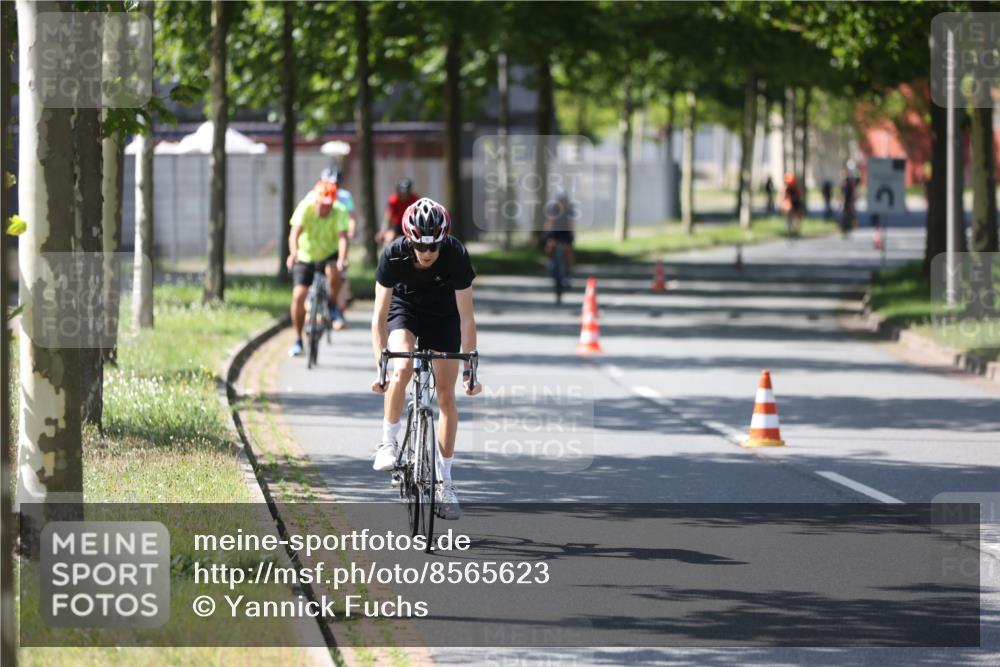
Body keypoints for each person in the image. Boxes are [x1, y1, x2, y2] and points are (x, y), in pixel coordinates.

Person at [370, 197, 482, 520]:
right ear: (410, 239)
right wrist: (381, 366)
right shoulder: (393, 255)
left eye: (433, 246)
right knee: (401, 366)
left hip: (443, 315)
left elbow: (466, 319)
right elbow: (378, 318)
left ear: (442, 241)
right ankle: (387, 442)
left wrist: (468, 372)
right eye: (420, 245)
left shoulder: (456, 255)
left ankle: (445, 482)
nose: (427, 253)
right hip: (404, 310)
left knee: (446, 396)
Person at [286, 171, 351, 357]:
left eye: (328, 206)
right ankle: (298, 340)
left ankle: (332, 305)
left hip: (329, 253)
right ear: (316, 201)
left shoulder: (339, 209)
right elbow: (294, 234)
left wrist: (342, 258)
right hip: (306, 255)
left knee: (335, 272)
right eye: (322, 206)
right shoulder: (305, 207)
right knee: (299, 296)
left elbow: (342, 239)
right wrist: (293, 253)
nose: (325, 210)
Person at [327, 168, 356, 329]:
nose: (333, 186)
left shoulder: (345, 197)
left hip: (340, 238)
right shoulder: (319, 195)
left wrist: (350, 231)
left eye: (336, 184)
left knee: (341, 273)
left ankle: (339, 306)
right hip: (321, 240)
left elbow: (352, 217)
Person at [542, 192, 576, 286]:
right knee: (550, 246)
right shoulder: (554, 209)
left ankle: (568, 273)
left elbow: (571, 223)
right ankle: (550, 262)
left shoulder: (570, 210)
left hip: (565, 233)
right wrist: (545, 233)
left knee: (568, 251)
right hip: (555, 232)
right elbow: (549, 221)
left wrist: (572, 234)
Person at [377, 178, 420, 246]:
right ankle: (386, 255)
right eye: (402, 192)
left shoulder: (415, 199)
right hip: (397, 225)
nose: (404, 195)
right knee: (389, 238)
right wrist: (383, 230)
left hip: (411, 224)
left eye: (406, 193)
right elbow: (388, 216)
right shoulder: (394, 200)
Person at [782, 172, 804, 238]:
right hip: (790, 203)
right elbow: (783, 196)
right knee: (791, 216)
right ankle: (792, 229)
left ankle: (796, 230)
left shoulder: (795, 187)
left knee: (796, 217)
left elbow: (799, 196)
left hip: (796, 202)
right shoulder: (786, 187)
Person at [839, 171, 857, 238]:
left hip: (848, 202)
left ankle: (847, 230)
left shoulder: (850, 184)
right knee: (844, 216)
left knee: (848, 216)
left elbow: (852, 193)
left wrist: (852, 202)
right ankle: (844, 230)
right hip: (845, 202)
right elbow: (841, 193)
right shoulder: (843, 184)